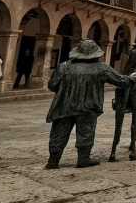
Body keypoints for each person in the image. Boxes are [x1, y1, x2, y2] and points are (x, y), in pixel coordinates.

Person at [45, 39, 130, 169]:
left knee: (59, 132)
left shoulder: (64, 66)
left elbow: (52, 85)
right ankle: (83, 159)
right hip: (88, 107)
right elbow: (122, 81)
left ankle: (53, 160)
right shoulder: (101, 68)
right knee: (85, 132)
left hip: (64, 106)